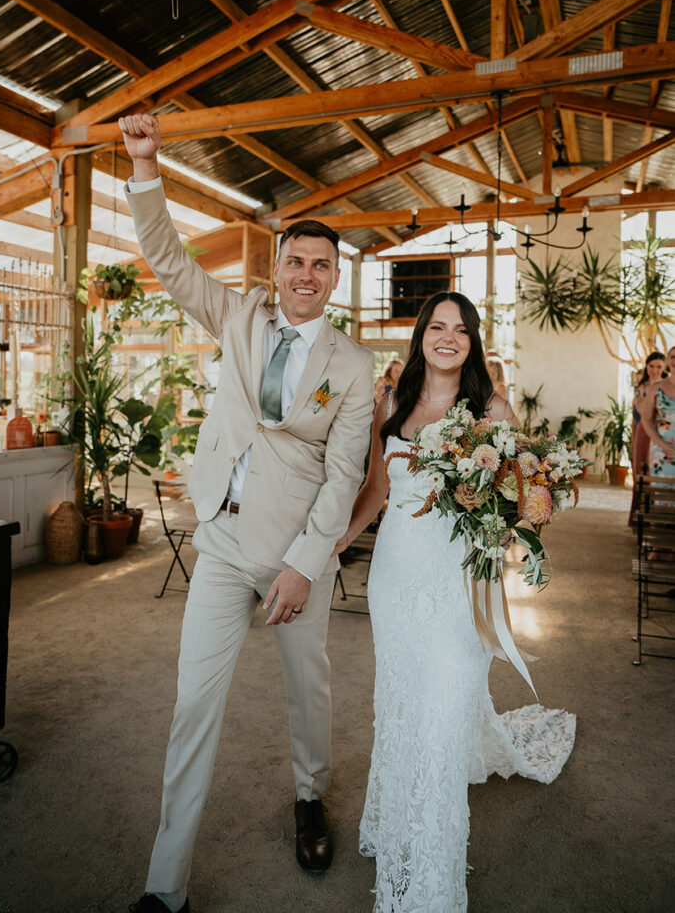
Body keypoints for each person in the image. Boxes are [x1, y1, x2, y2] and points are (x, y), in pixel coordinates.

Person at [119, 113, 375, 913]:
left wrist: (306, 564)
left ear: (336, 277)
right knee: (194, 703)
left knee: (310, 696)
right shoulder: (235, 315)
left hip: (297, 552)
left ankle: (309, 796)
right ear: (279, 265)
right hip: (223, 544)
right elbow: (166, 257)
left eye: (320, 265)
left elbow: (344, 475)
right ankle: (167, 887)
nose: (305, 274)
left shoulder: (354, 364)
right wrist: (145, 164)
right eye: (294, 260)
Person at [335, 291, 575, 912]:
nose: (447, 337)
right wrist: (336, 542)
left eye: (460, 329)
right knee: (401, 703)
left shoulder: (491, 406)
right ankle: (392, 826)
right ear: (420, 335)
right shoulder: (389, 401)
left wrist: (510, 518)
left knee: (442, 713)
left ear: (474, 341)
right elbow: (376, 487)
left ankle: (434, 882)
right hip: (394, 577)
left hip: (456, 582)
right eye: (436, 327)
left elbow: (518, 492)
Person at [629, 351, 665, 525]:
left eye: (659, 366)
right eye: (651, 366)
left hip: (663, 433)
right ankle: (639, 519)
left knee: (658, 475)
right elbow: (642, 415)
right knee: (641, 475)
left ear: (664, 367)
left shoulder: (668, 386)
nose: (655, 370)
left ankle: (659, 518)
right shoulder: (639, 388)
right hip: (643, 434)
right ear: (646, 367)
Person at [640, 344, 675, 481]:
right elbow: (646, 419)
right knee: (660, 494)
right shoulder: (655, 388)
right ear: (667, 361)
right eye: (672, 357)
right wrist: (663, 446)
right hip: (660, 451)